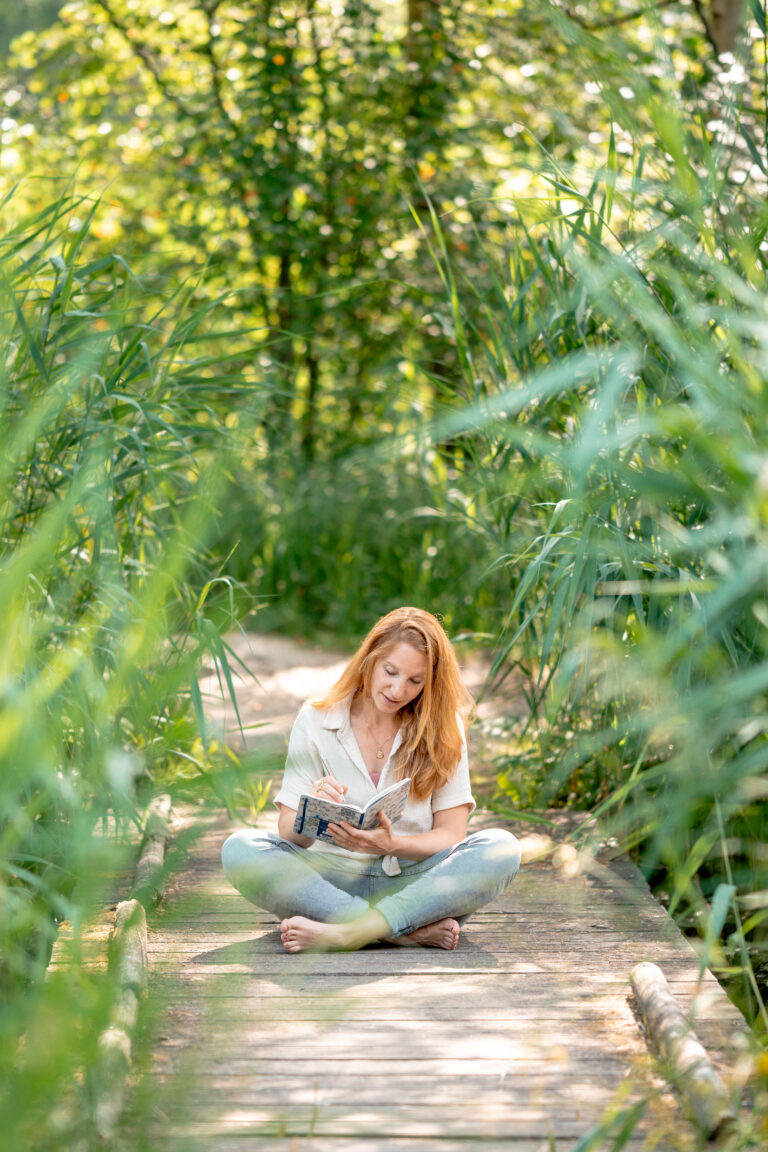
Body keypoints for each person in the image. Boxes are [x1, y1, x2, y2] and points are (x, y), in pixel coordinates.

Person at [221, 607, 521, 952]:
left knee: (501, 848)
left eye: (415, 681)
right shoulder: (316, 719)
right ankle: (400, 932)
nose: (397, 689)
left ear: (430, 682)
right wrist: (312, 806)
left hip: (411, 883)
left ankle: (348, 932)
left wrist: (392, 845)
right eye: (390, 672)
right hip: (328, 885)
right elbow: (288, 834)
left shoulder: (443, 727)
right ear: (370, 660)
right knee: (240, 849)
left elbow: (451, 835)